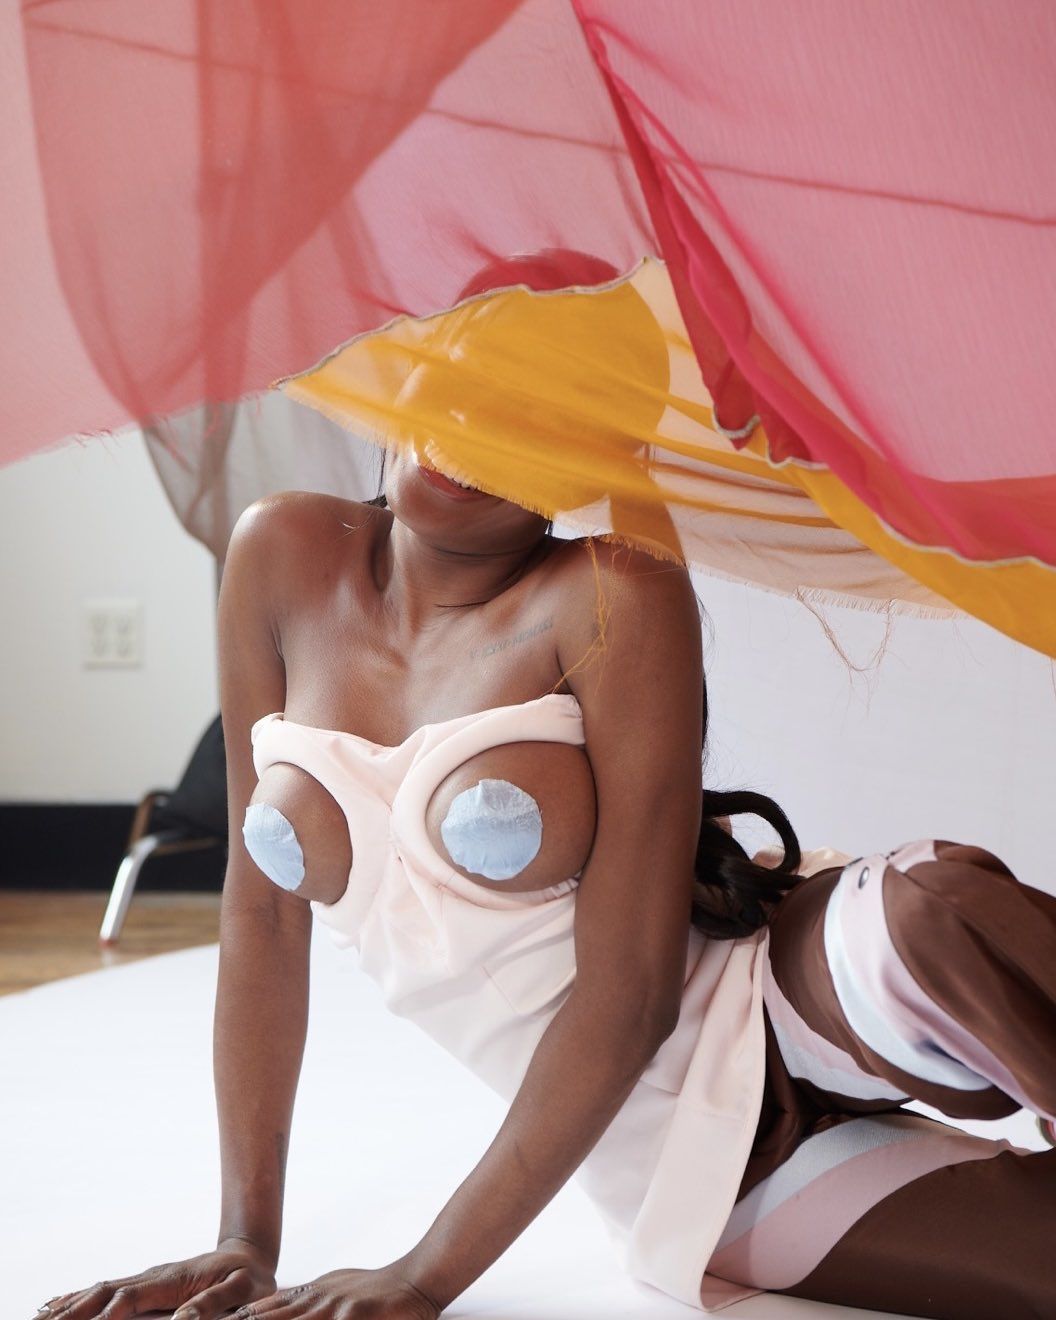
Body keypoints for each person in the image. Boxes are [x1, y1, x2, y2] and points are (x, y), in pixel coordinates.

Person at [39, 451, 1056, 1320]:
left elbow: (633, 997)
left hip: (778, 991)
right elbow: (260, 918)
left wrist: (427, 1274)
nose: (472, 439)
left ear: (583, 452)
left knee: (934, 914)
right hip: (676, 1161)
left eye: (522, 417)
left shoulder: (613, 587)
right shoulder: (280, 553)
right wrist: (244, 1238)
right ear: (394, 385)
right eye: (455, 384)